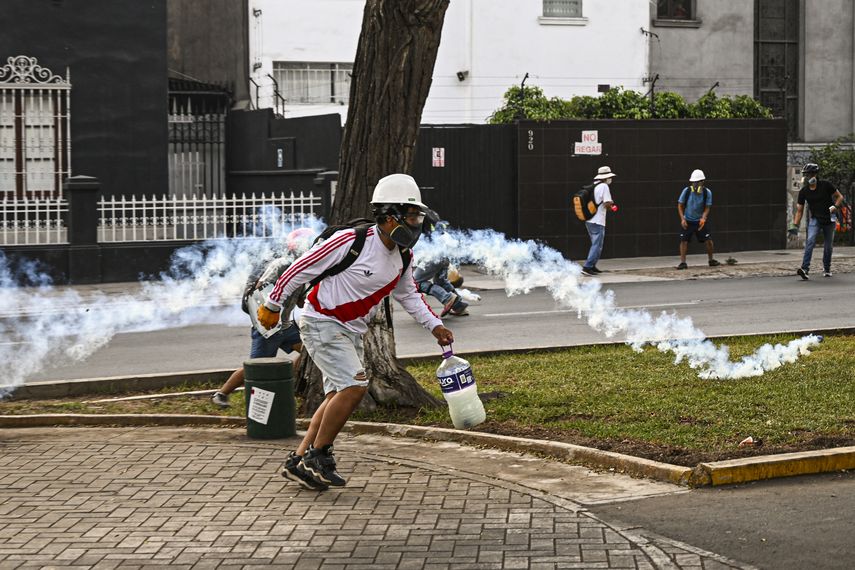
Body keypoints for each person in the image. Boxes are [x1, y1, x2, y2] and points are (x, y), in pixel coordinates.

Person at [256, 173, 454, 490]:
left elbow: (409, 295)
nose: (416, 224)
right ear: (389, 215)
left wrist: (435, 325)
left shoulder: (403, 255)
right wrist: (273, 304)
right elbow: (300, 267)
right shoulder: (352, 241)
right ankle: (319, 455)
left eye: (417, 217)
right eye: (411, 216)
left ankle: (299, 460)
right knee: (354, 387)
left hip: (351, 330)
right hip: (321, 322)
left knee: (337, 394)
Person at [210, 317, 303, 408]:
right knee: (255, 367)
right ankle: (221, 394)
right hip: (266, 329)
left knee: (307, 353)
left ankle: (286, 384)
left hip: (287, 327)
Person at [793, 163, 845, 279]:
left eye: (810, 174)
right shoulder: (804, 191)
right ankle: (805, 269)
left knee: (828, 246)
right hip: (815, 219)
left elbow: (840, 196)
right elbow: (799, 210)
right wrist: (795, 225)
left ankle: (827, 268)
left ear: (816, 175)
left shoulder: (826, 185)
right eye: (806, 175)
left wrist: (835, 206)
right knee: (810, 241)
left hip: (829, 219)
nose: (808, 177)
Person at [414, 217, 469, 316]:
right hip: (444, 256)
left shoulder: (418, 219)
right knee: (441, 282)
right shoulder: (431, 218)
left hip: (432, 256)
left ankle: (447, 298)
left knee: (415, 282)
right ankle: (458, 305)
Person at [676, 169, 721, 269]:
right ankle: (683, 263)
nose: (695, 185)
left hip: (700, 221)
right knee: (683, 241)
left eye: (697, 182)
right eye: (693, 182)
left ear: (702, 182)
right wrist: (682, 219)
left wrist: (703, 218)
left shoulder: (707, 192)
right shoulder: (687, 191)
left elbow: (707, 207)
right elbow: (680, 205)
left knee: (708, 240)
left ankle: (711, 260)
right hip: (688, 220)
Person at [581, 166, 617, 277]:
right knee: (597, 245)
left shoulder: (594, 185)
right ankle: (587, 267)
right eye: (609, 177)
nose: (610, 179)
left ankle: (592, 266)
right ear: (606, 177)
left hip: (589, 219)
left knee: (595, 244)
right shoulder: (604, 186)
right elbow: (607, 203)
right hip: (598, 220)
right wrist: (612, 206)